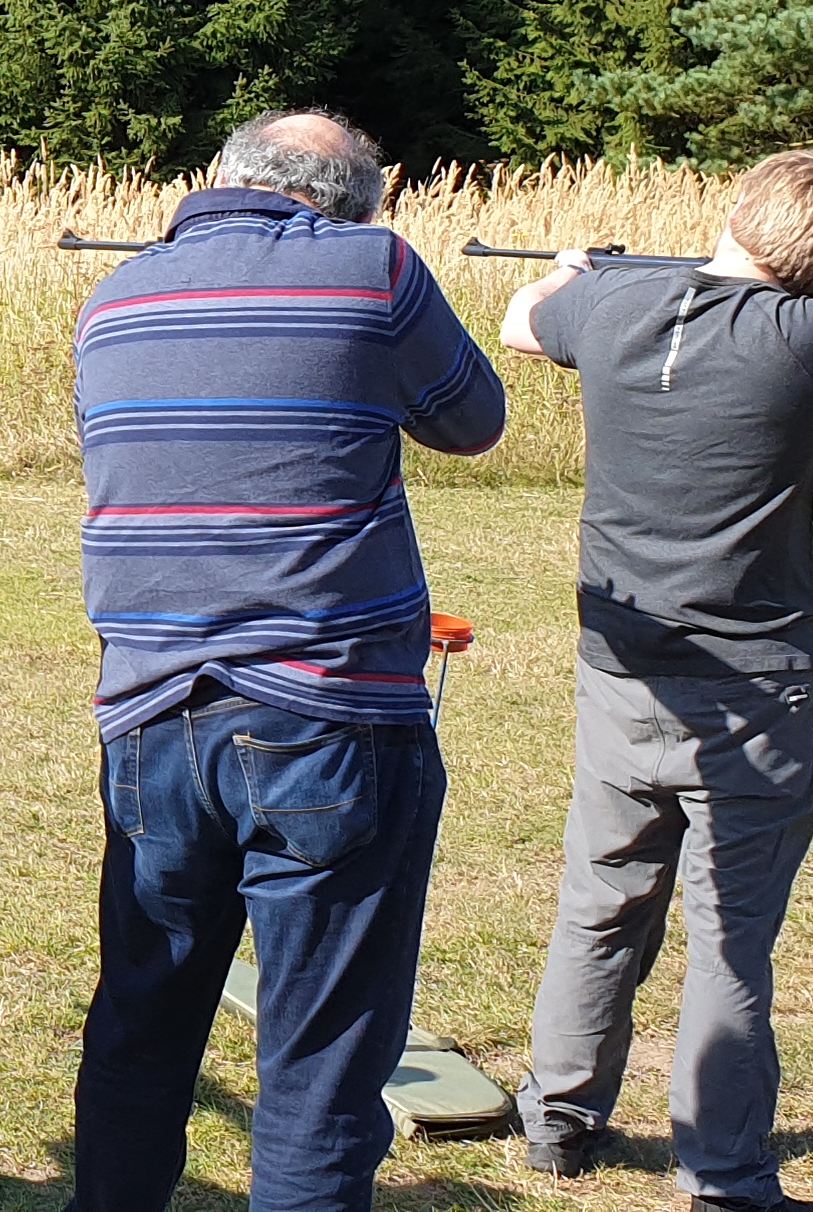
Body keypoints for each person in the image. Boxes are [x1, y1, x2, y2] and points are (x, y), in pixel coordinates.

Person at [494, 151, 813, 1210]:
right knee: (729, 941)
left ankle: (558, 1122)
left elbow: (522, 322)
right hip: (756, 690)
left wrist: (576, 269)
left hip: (624, 674)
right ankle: (725, 1174)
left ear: (737, 212)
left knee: (600, 904)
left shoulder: (613, 308)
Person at [63, 109, 506, 1212]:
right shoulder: (374, 268)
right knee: (322, 1058)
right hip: (327, 711)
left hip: (150, 709)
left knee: (140, 1024)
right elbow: (474, 420)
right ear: (350, 205)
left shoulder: (114, 297)